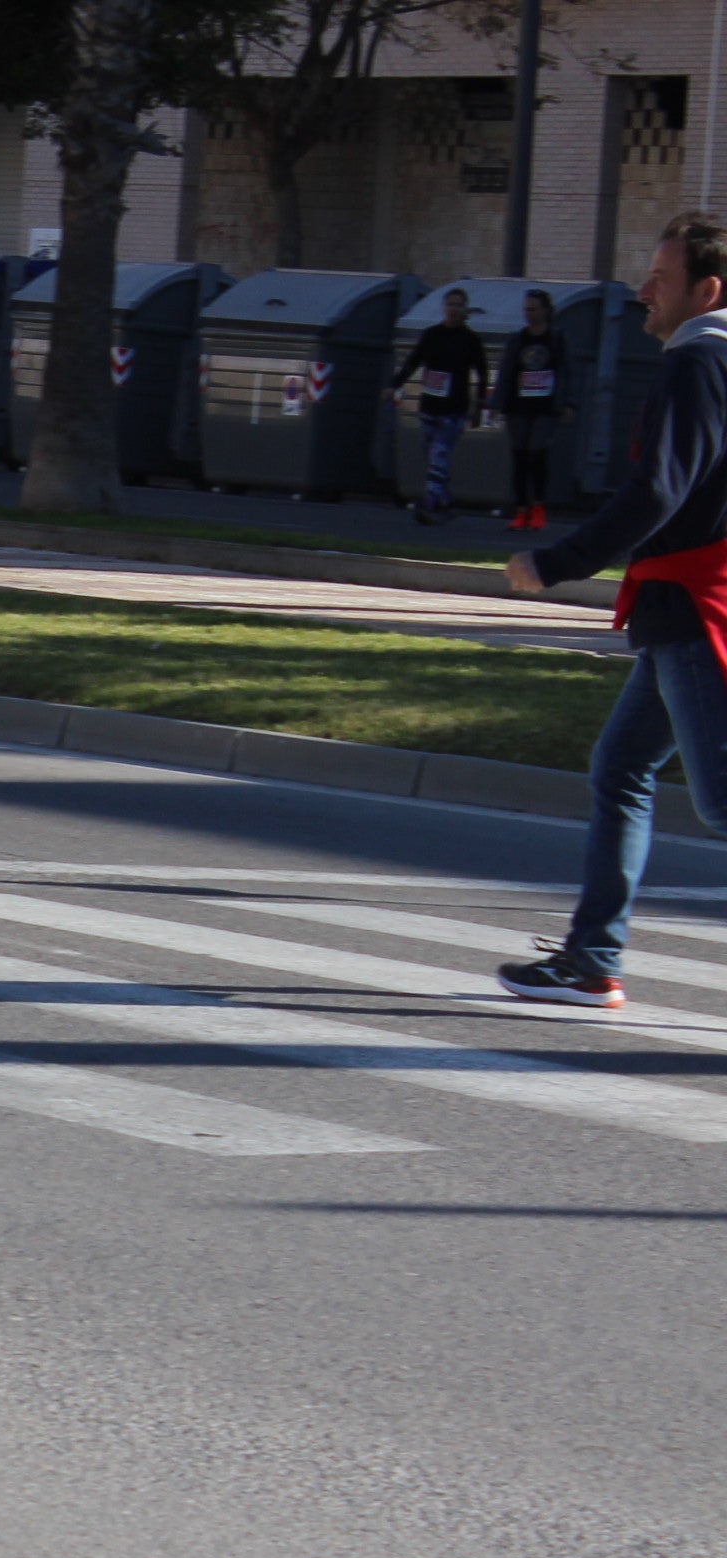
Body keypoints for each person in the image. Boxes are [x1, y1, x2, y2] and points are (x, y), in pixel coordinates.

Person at [502, 213, 727, 1010]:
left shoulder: (699, 361)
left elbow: (658, 490)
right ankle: (593, 957)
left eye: (660, 278)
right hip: (691, 602)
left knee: (720, 801)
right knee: (622, 769)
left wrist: (559, 560)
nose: (643, 290)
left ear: (708, 290)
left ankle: (593, 956)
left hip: (693, 606)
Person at [400, 286, 488, 526]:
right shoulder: (431, 335)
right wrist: (394, 384)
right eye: (450, 304)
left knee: (439, 453)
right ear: (444, 308)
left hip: (455, 409)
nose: (453, 309)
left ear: (464, 310)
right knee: (433, 457)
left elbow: (482, 373)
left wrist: (479, 407)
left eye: (458, 305)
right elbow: (414, 360)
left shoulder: (470, 340)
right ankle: (446, 500)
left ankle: (429, 502)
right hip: (429, 406)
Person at [500, 287, 563, 532]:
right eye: (526, 309)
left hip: (545, 408)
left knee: (537, 455)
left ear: (545, 311)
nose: (529, 314)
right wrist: (497, 403)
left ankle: (538, 507)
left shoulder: (556, 339)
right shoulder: (518, 339)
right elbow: (507, 372)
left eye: (533, 309)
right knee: (519, 457)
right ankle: (520, 510)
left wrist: (567, 404)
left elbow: (565, 372)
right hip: (519, 407)